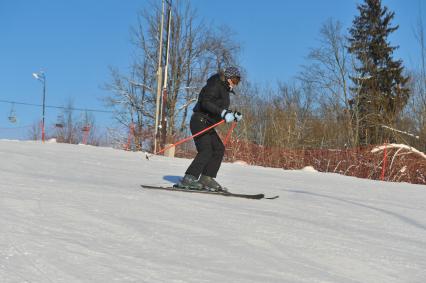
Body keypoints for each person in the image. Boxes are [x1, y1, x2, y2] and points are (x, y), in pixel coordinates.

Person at [177, 66, 243, 191]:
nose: (235, 84)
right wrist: (223, 113)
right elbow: (206, 103)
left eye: (237, 82)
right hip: (199, 121)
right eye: (234, 81)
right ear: (228, 78)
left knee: (218, 148)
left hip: (208, 123)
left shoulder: (224, 90)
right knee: (206, 149)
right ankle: (189, 178)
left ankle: (206, 177)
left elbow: (217, 109)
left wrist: (232, 115)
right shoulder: (215, 84)